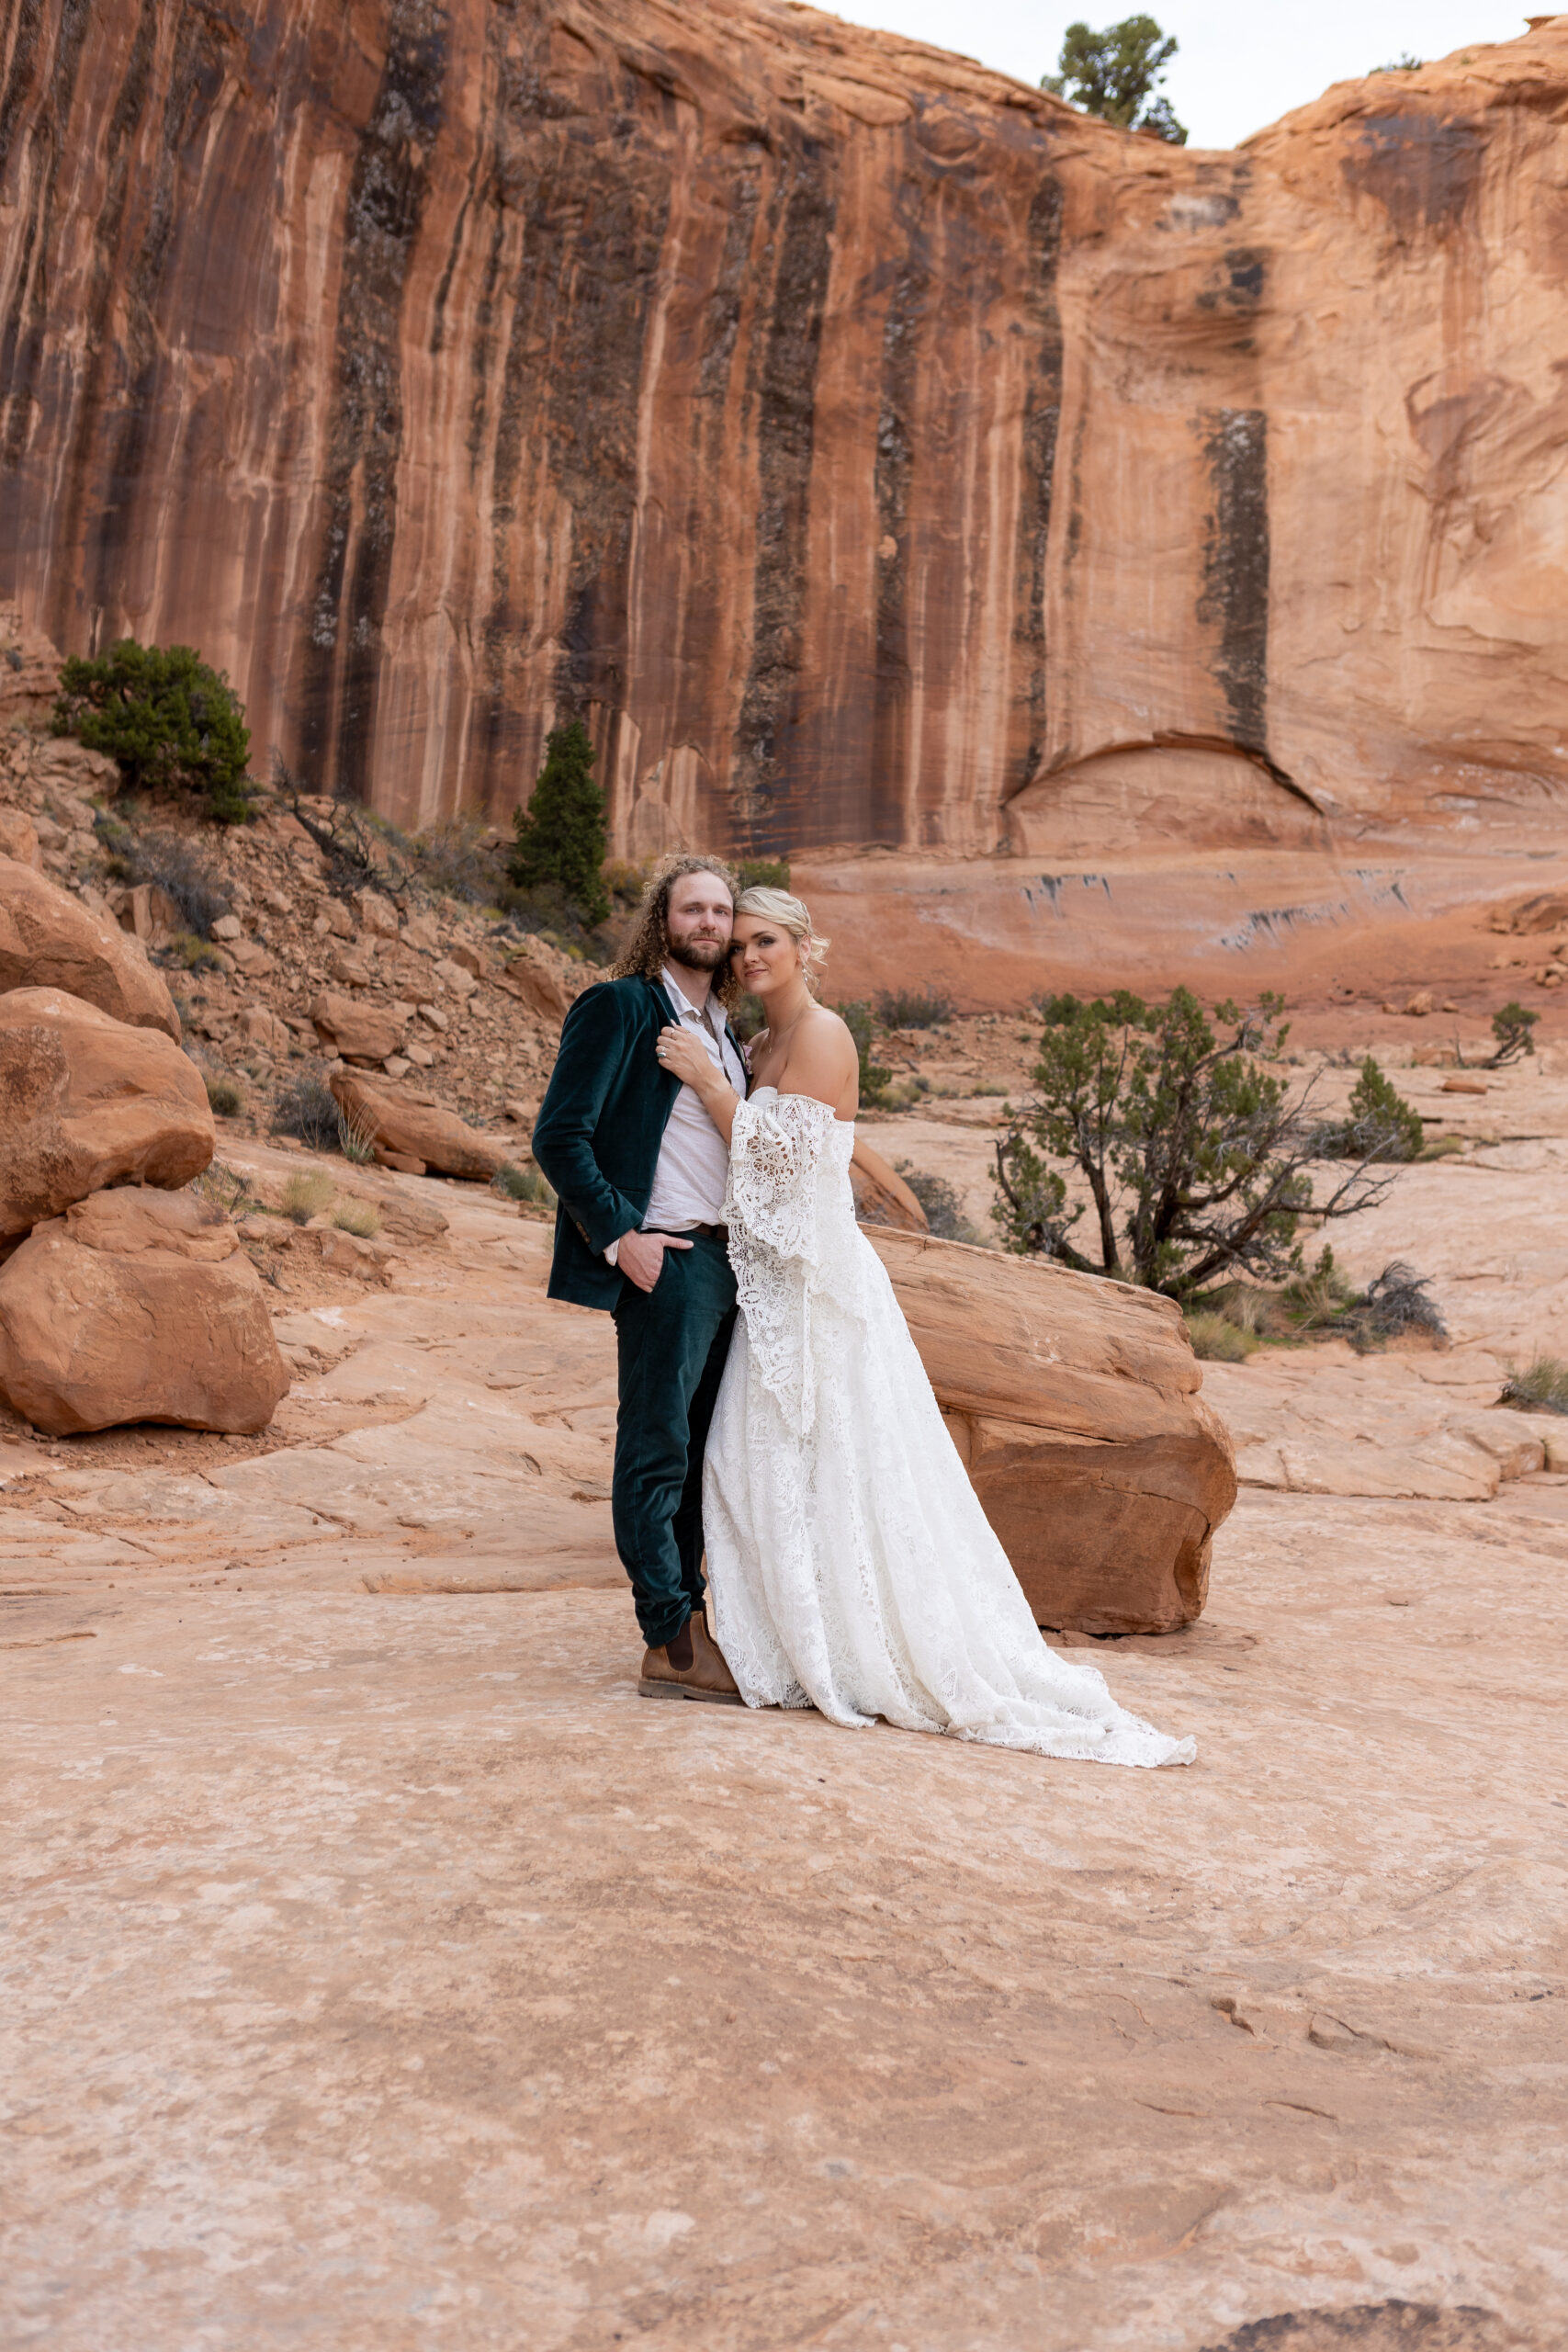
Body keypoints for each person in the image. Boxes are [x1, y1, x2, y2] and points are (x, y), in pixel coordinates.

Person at [655, 886, 1195, 1769]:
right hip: (774, 1287)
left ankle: (863, 1646)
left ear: (801, 946)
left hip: (816, 1285)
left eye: (765, 941)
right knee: (765, 1460)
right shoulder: (760, 1040)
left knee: (842, 1457)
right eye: (739, 944)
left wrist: (712, 1086)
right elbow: (818, 1143)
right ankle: (802, 1634)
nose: (749, 957)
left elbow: (785, 1172)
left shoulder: (822, 1034)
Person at [531, 855, 750, 1705]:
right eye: (691, 908)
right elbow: (560, 1136)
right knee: (656, 1450)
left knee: (702, 1456)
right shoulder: (620, 1006)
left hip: (728, 1265)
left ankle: (693, 1618)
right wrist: (621, 1235)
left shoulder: (725, 1034)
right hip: (669, 1263)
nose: (707, 923)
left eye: (720, 911)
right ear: (663, 921)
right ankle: (669, 1641)